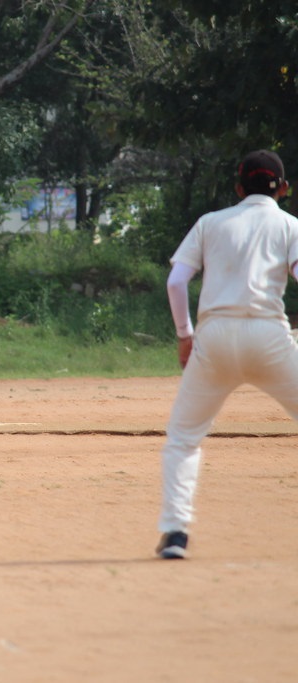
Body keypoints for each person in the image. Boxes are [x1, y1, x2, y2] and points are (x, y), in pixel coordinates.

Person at [156, 149, 298, 559]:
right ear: (283, 189)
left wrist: (185, 335)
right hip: (270, 337)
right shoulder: (289, 225)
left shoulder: (210, 223)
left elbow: (177, 282)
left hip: (214, 338)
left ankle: (175, 535)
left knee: (183, 439)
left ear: (238, 188)